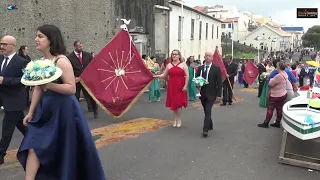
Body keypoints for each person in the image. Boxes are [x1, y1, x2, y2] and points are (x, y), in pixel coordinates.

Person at [17, 24, 106, 180]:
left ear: (51, 40)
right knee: (34, 144)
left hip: (64, 110)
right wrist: (31, 112)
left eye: (40, 36)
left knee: (63, 148)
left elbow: (71, 88)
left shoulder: (61, 61)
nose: (36, 39)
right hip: (45, 109)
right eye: (36, 36)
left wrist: (49, 85)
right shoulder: (42, 62)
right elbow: (38, 88)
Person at [0, 35, 28, 166]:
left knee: (7, 128)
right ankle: (38, 140)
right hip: (3, 100)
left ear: (13, 46)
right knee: (22, 126)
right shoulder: (0, 59)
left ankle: (1, 154)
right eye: (1, 44)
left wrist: (5, 80)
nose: (2, 47)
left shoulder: (21, 62)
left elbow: (24, 80)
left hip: (15, 101)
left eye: (5, 44)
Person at [155, 49, 188, 128]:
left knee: (179, 103)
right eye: (173, 54)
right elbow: (164, 75)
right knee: (174, 103)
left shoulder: (183, 64)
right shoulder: (169, 65)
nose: (174, 55)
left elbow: (187, 76)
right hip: (172, 86)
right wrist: (156, 76)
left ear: (179, 56)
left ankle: (179, 119)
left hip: (180, 85)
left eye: (176, 54)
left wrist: (185, 86)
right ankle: (175, 120)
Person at [68, 41, 98, 118]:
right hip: (76, 81)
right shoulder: (69, 58)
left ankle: (95, 110)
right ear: (74, 47)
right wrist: (74, 78)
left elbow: (92, 66)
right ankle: (75, 113)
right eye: (79, 47)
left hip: (86, 80)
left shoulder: (87, 55)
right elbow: (69, 69)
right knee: (75, 97)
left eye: (82, 46)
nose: (81, 48)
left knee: (90, 96)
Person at [196, 52, 222, 137]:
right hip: (202, 93)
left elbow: (219, 83)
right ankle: (210, 124)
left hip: (212, 93)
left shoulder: (216, 69)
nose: (207, 57)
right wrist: (198, 85)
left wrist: (218, 95)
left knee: (208, 110)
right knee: (206, 110)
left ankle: (205, 130)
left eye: (209, 56)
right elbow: (197, 79)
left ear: (212, 58)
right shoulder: (200, 68)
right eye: (206, 56)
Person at [258, 62, 288, 128]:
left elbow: (270, 83)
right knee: (279, 109)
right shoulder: (285, 74)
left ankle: (266, 122)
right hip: (283, 93)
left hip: (276, 95)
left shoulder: (278, 76)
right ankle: (277, 122)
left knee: (270, 108)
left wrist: (271, 79)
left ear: (279, 67)